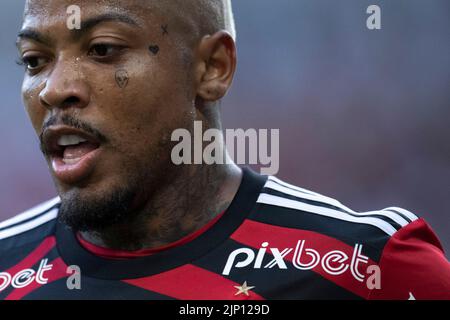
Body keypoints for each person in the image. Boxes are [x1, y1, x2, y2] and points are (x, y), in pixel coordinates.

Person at [1, 0, 448, 300]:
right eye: (35, 60)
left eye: (102, 49)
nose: (54, 90)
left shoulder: (367, 269)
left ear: (213, 67)